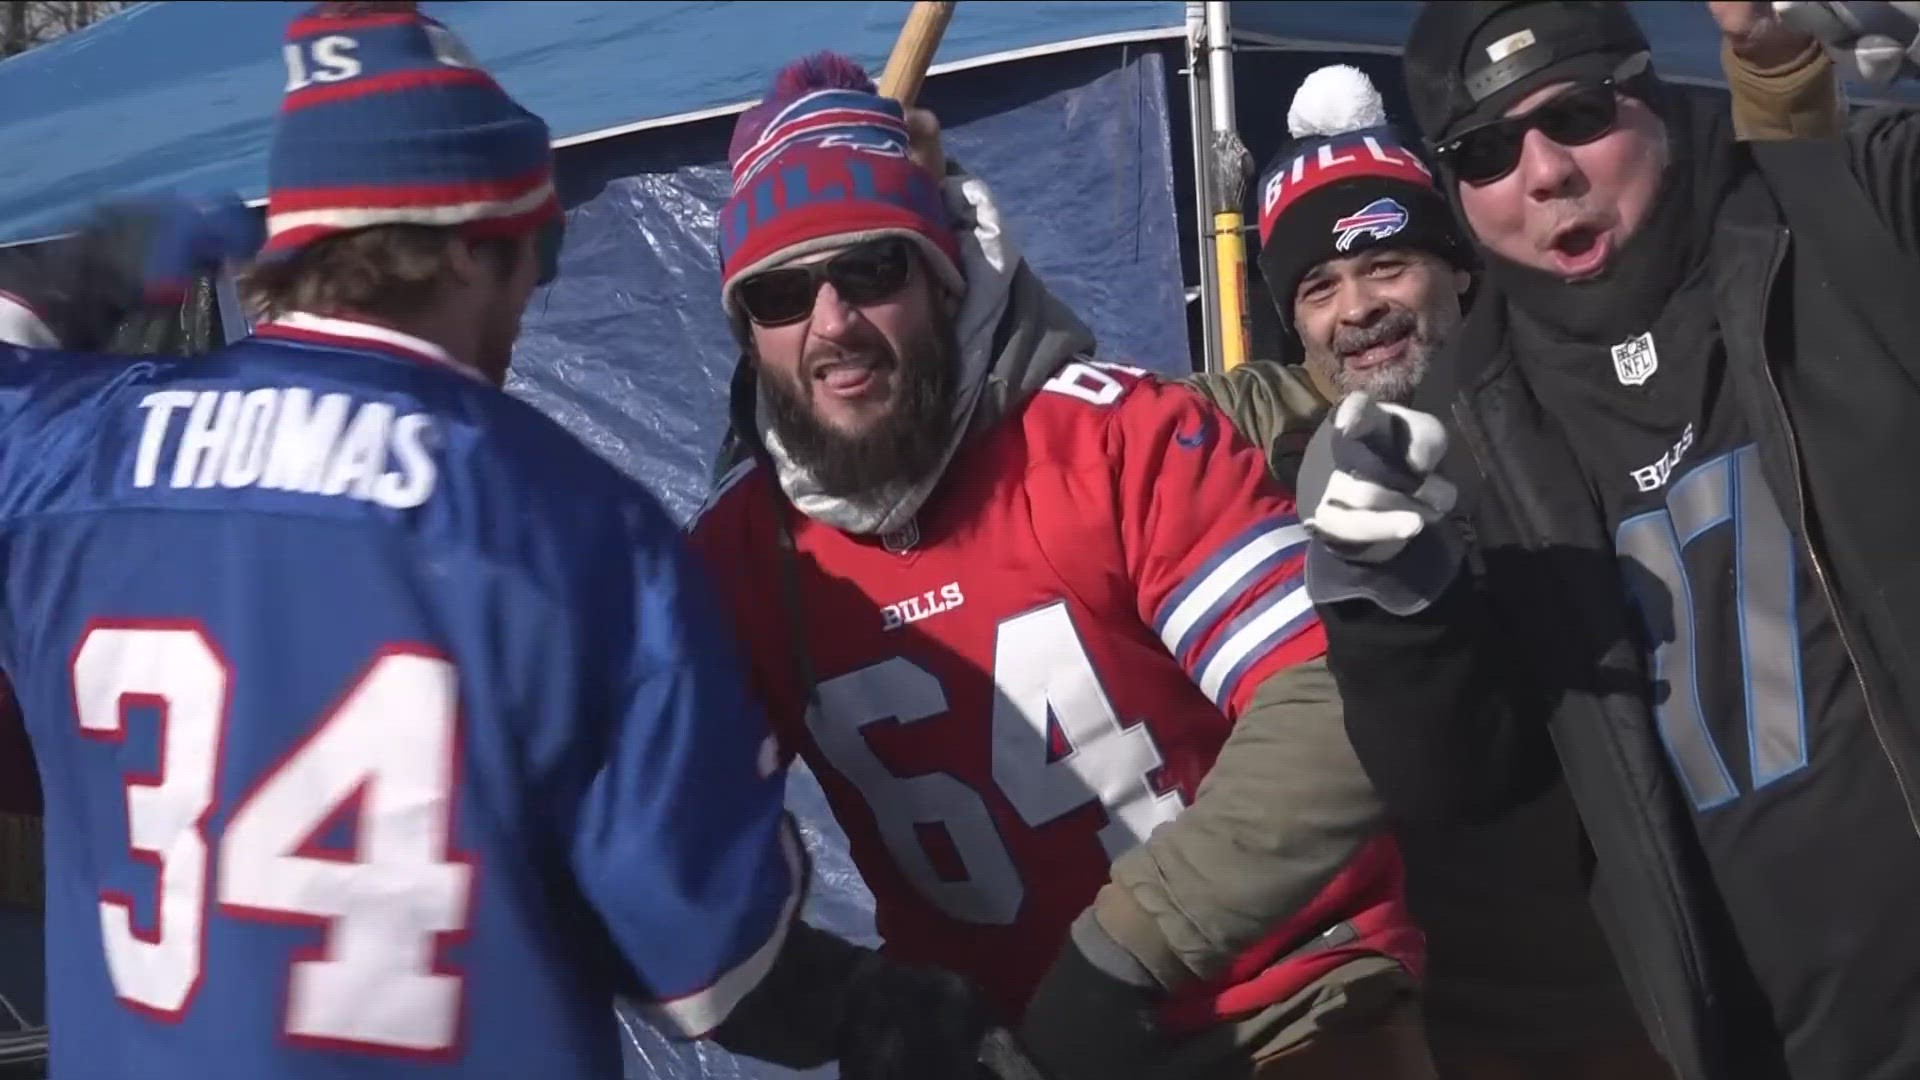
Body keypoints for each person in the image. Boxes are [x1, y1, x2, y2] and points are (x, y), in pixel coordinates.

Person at [0, 5, 1042, 1079]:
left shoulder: (69, 452)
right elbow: (707, 946)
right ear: (467, 250)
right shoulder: (577, 530)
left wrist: (51, 294)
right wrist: (875, 1008)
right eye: (529, 257)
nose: (526, 307)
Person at [689, 51, 1431, 1080]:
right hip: (1003, 1055)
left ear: (943, 271)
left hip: (1270, 1010)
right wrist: (849, 1008)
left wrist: (1122, 954)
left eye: (870, 270)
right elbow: (655, 852)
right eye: (779, 293)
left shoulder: (1116, 438)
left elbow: (1331, 708)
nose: (831, 324)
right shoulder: (740, 559)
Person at [1302, 2, 1920, 1079]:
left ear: (1657, 99)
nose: (1544, 174)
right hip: (1762, 1045)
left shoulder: (1828, 219)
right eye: (1486, 151)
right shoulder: (1459, 432)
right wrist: (1384, 606)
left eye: (1580, 114)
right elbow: (1463, 786)